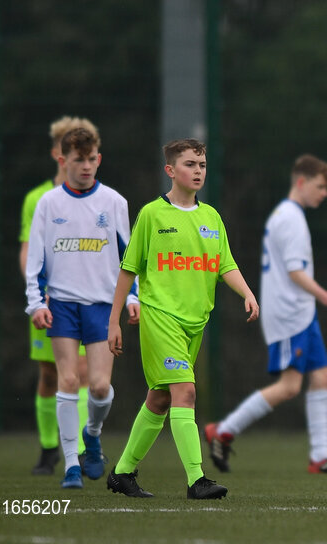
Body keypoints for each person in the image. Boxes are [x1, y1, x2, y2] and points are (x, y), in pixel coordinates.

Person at [106, 138, 259, 500]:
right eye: (190, 164)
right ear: (170, 170)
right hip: (160, 317)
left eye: (202, 165)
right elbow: (128, 271)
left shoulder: (211, 217)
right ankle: (196, 480)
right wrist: (113, 322)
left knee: (159, 399)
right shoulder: (151, 215)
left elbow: (225, 264)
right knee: (185, 392)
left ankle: (123, 472)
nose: (198, 171)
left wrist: (248, 293)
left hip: (195, 322)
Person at [204, 154, 327, 474]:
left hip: (300, 313)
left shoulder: (289, 216)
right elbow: (295, 274)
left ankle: (320, 456)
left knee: (322, 376)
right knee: (290, 386)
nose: (324, 193)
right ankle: (222, 431)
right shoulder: (289, 218)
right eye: (320, 186)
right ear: (301, 183)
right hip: (290, 315)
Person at [24, 127, 136, 489]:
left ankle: (93, 434)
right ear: (63, 161)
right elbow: (35, 260)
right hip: (64, 306)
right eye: (78, 160)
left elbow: (129, 258)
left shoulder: (115, 203)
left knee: (100, 387)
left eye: (91, 159)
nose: (86, 166)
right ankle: (71, 465)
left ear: (98, 159)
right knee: (68, 380)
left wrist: (132, 298)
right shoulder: (48, 203)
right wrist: (35, 303)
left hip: (103, 307)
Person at [19, 116, 98, 476]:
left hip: (82, 301)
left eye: (88, 154)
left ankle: (80, 449)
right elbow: (27, 252)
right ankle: (49, 448)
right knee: (50, 375)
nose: (82, 160)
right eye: (73, 152)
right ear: (58, 153)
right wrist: (38, 294)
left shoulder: (101, 200)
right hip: (49, 301)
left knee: (81, 372)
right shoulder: (38, 199)